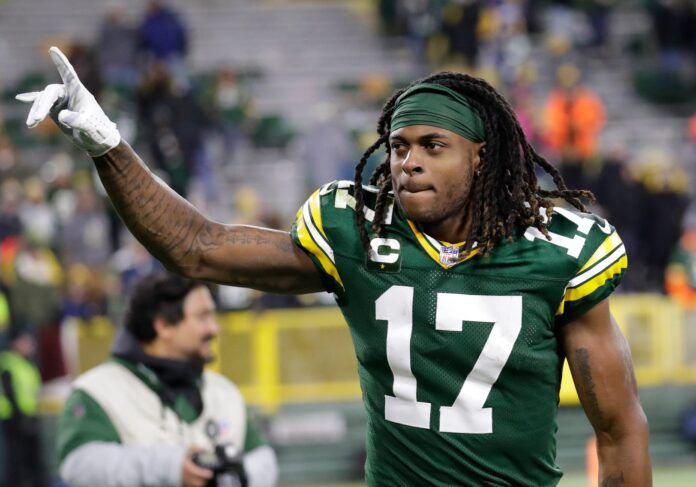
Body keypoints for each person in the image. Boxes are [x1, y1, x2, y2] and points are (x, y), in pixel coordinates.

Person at [18, 47, 651, 486]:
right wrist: (110, 147)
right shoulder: (357, 232)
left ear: (483, 158)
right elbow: (195, 245)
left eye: (434, 146)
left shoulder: (556, 251)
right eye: (399, 147)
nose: (408, 163)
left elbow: (619, 431)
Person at [55, 272, 278, 487]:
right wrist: (170, 467)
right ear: (163, 326)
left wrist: (237, 475)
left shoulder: (223, 391)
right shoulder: (97, 390)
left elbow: (262, 458)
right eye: (203, 316)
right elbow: (80, 465)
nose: (214, 328)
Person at [0, 328, 45, 487]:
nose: (30, 345)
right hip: (14, 419)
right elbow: (9, 391)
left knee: (33, 460)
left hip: (29, 417)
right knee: (15, 461)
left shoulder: (28, 364)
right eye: (25, 341)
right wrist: (19, 417)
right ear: (15, 343)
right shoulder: (8, 363)